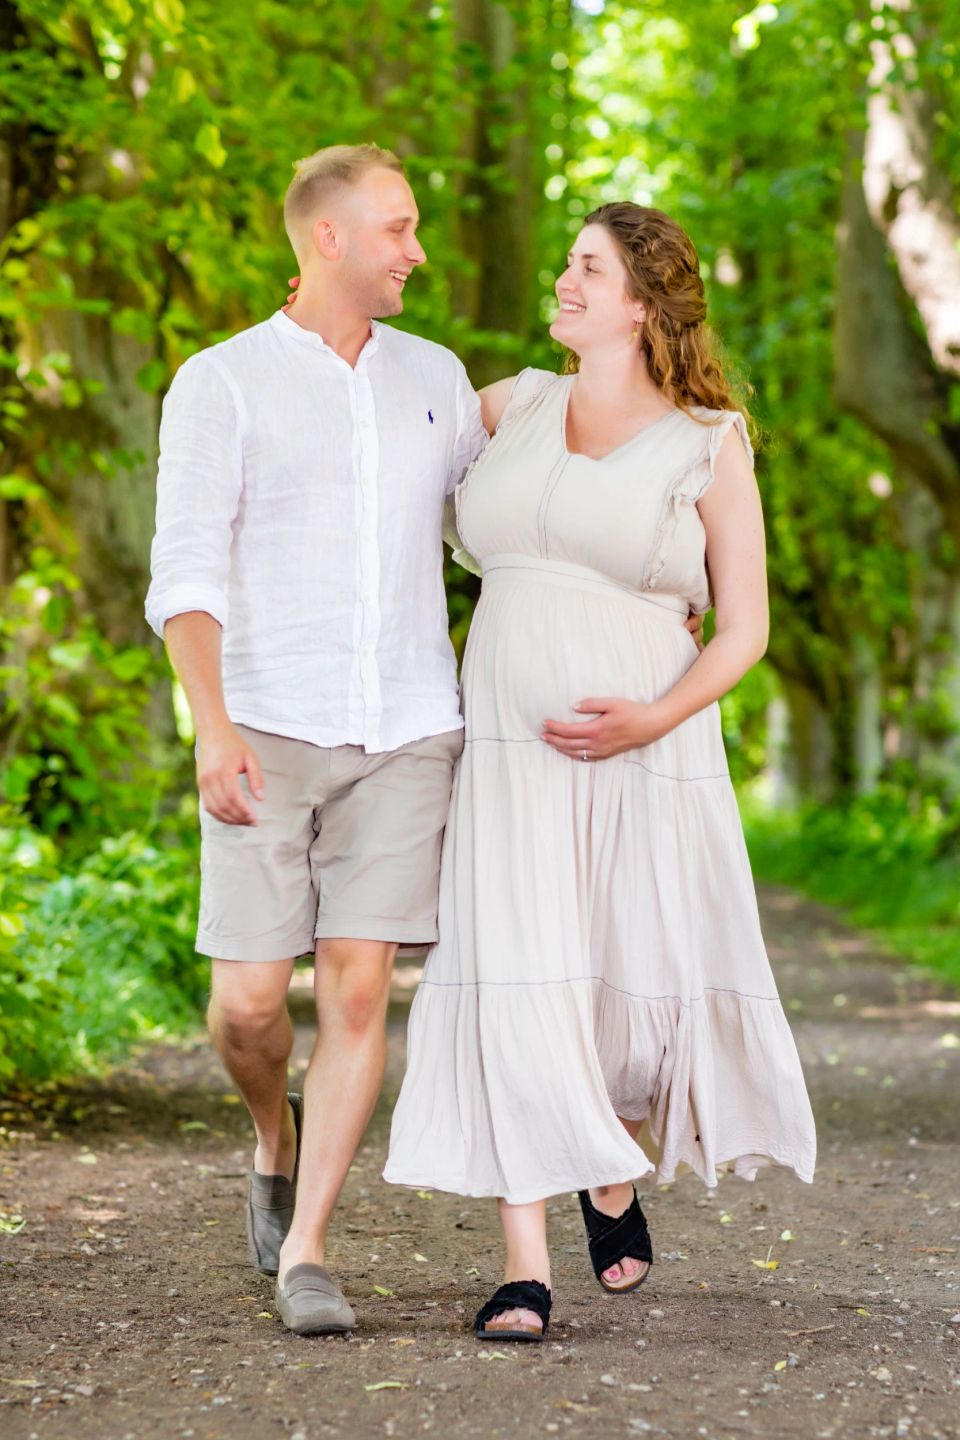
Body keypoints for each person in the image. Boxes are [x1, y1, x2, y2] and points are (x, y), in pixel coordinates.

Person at [383, 203, 817, 1342]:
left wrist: (653, 717)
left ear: (641, 303)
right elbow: (386, 445)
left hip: (646, 749)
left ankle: (607, 1161)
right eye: (566, 261)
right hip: (509, 754)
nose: (564, 280)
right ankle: (523, 1267)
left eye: (589, 267)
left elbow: (745, 628)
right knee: (513, 970)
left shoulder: (707, 442)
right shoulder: (509, 404)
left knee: (626, 980)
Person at [145, 143, 486, 1335]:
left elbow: (491, 524)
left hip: (408, 728)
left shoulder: (437, 378)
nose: (417, 251)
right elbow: (185, 571)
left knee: (356, 991)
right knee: (249, 1005)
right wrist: (211, 724)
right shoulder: (222, 382)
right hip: (266, 726)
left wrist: (654, 580)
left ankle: (309, 1249)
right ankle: (271, 1131)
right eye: (399, 228)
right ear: (327, 237)